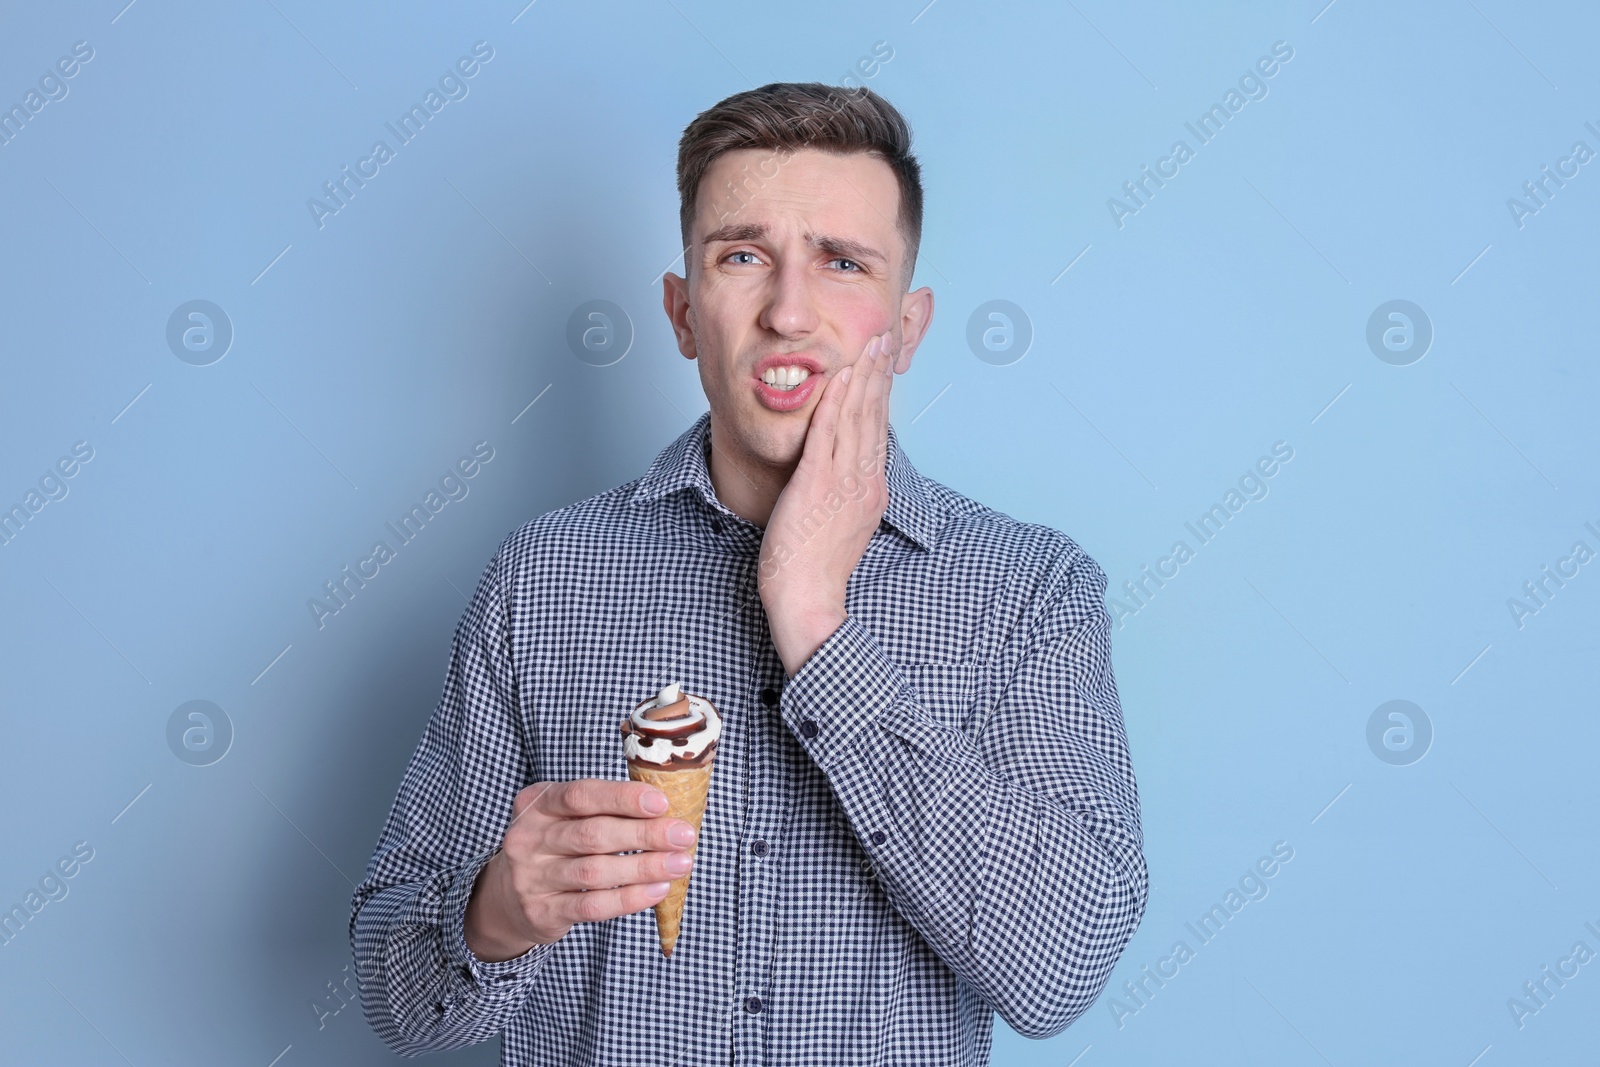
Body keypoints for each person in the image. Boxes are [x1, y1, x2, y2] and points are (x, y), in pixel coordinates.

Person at [351, 80, 1147, 1066]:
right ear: (684, 313)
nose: (787, 310)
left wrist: (813, 616)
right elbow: (393, 986)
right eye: (742, 256)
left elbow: (1060, 966)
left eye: (841, 262)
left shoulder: (1031, 592)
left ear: (904, 326)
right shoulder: (541, 577)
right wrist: (492, 916)